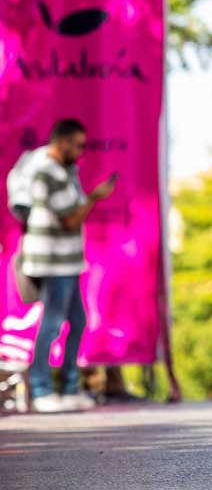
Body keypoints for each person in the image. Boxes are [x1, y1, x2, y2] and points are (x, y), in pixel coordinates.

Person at [21, 119, 115, 413]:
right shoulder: (48, 172)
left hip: (68, 260)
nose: (81, 151)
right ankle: (41, 389)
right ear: (61, 142)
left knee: (78, 321)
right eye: (77, 144)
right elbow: (71, 219)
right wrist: (95, 198)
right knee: (52, 322)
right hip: (53, 260)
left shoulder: (65, 170)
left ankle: (70, 386)